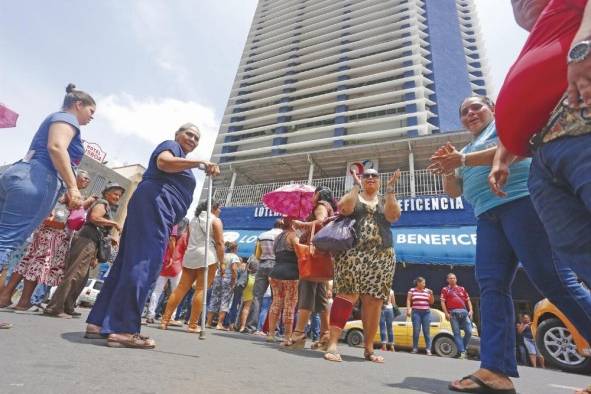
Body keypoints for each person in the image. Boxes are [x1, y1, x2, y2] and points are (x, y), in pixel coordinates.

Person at [429, 94, 591, 393]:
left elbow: (515, 149)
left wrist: (461, 159)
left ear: (491, 108)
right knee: (491, 285)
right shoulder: (465, 149)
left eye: (476, 107)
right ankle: (495, 370)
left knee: (554, 280)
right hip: (487, 217)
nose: (470, 113)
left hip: (523, 204)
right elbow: (453, 192)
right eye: (464, 112)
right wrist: (450, 168)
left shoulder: (505, 126)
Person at [491, 0, 591, 368]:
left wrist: (584, 46)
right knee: (582, 256)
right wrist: (504, 155)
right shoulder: (539, 40)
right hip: (544, 155)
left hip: (581, 129)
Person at [85, 123, 219, 349]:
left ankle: (98, 323)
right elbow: (163, 162)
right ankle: (124, 328)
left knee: (127, 264)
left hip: (155, 210)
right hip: (156, 207)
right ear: (177, 134)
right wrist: (200, 162)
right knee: (144, 264)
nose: (193, 139)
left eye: (197, 138)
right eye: (189, 134)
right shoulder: (171, 147)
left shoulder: (181, 157)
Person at [0, 84, 94, 329]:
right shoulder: (66, 118)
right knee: (5, 242)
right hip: (37, 179)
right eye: (91, 110)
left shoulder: (57, 117)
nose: (92, 116)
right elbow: (56, 147)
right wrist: (73, 187)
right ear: (78, 105)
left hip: (20, 173)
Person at [323, 168, 401, 363]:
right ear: (362, 179)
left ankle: (368, 348)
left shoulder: (384, 199)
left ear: (380, 182)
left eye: (375, 176)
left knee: (374, 301)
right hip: (352, 253)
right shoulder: (355, 196)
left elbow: (393, 216)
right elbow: (344, 208)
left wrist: (391, 190)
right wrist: (356, 186)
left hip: (381, 255)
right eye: (367, 176)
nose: (371, 178)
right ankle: (333, 343)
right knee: (346, 294)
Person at [0, 171, 94, 314]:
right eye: (85, 178)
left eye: (88, 180)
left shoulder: (59, 187)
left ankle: (6, 296)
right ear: (74, 177)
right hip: (55, 233)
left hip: (45, 230)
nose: (87, 181)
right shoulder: (70, 190)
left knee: (28, 262)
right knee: (38, 264)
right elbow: (69, 206)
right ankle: (24, 301)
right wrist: (85, 203)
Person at [45, 183, 124, 318]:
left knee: (82, 277)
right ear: (106, 193)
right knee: (74, 273)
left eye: (119, 195)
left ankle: (68, 306)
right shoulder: (102, 202)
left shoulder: (106, 205)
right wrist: (115, 223)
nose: (117, 197)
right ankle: (55, 307)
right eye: (115, 193)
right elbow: (94, 218)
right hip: (86, 240)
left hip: (92, 242)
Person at [160, 201, 225, 333]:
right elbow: (220, 243)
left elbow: (188, 239)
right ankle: (193, 324)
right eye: (219, 208)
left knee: (180, 288)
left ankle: (165, 320)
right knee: (201, 289)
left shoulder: (193, 220)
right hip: (208, 256)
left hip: (190, 255)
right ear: (213, 208)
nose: (220, 211)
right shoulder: (215, 221)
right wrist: (222, 262)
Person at [286, 186, 336, 350]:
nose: (312, 197)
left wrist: (302, 223)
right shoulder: (330, 208)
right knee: (321, 299)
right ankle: (325, 335)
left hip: (312, 256)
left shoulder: (320, 206)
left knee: (306, 291)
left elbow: (320, 222)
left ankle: (299, 333)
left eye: (314, 194)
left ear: (319, 195)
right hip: (322, 255)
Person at [144, 219, 189, 324]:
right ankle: (171, 317)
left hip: (165, 263)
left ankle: (150, 314)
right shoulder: (185, 236)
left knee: (157, 291)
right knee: (175, 292)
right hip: (176, 265)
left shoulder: (171, 229)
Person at [245, 219, 283, 333]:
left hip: (262, 264)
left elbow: (257, 254)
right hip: (276, 265)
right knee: (276, 298)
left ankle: (251, 327)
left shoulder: (262, 235)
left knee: (257, 296)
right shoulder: (282, 236)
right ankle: (273, 328)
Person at [267, 217, 300, 345]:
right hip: (291, 274)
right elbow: (300, 253)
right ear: (292, 223)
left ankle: (270, 334)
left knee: (276, 303)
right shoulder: (292, 236)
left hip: (276, 273)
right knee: (289, 305)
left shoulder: (278, 237)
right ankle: (287, 336)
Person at [206, 241, 239, 330]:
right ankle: (219, 324)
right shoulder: (234, 257)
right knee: (225, 301)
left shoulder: (222, 255)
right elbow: (234, 269)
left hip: (218, 278)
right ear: (234, 249)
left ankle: (208, 322)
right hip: (228, 279)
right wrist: (234, 280)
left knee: (214, 299)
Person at [440, 273, 473, 359]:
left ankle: (462, 348)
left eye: (454, 278)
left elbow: (468, 300)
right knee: (457, 333)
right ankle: (462, 351)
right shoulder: (445, 289)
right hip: (452, 314)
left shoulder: (462, 289)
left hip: (464, 313)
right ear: (447, 280)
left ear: (456, 279)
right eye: (450, 278)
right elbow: (442, 302)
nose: (452, 279)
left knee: (469, 332)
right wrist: (446, 313)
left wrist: (471, 310)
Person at [406, 277, 434, 355]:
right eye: (423, 283)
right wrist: (408, 309)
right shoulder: (412, 290)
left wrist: (431, 294)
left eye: (425, 283)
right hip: (416, 312)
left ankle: (428, 349)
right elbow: (408, 300)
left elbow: (431, 302)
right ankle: (415, 348)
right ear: (418, 283)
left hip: (426, 313)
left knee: (426, 331)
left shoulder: (427, 291)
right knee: (416, 331)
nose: (424, 284)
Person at [237, 260, 256, 332]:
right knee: (247, 307)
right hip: (253, 281)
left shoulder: (251, 258)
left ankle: (241, 325)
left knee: (244, 306)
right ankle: (243, 326)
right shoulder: (259, 260)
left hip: (247, 281)